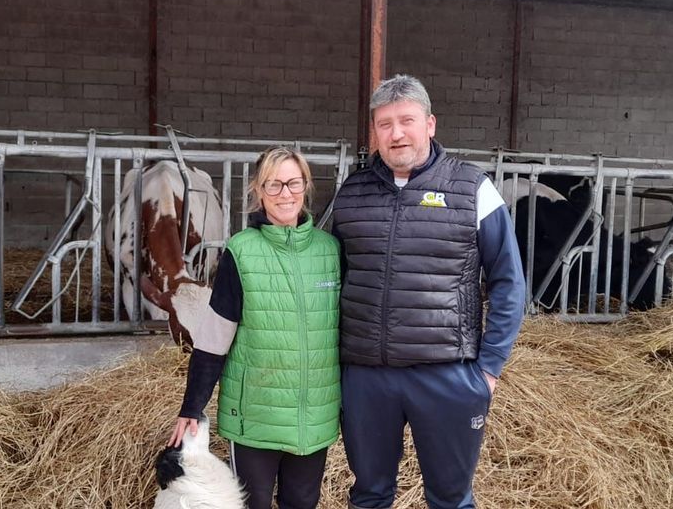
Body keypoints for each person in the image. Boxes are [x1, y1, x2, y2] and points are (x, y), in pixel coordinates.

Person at [330, 74, 527, 509]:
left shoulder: (473, 189)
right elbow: (334, 276)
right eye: (385, 124)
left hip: (448, 373)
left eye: (407, 121)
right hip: (367, 376)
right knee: (369, 495)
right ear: (374, 131)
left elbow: (508, 282)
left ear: (430, 124)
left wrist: (489, 370)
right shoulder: (352, 193)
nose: (396, 133)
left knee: (450, 499)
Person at [167, 146, 341, 509]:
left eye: (293, 183)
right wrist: (192, 406)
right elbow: (214, 338)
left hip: (314, 419)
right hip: (254, 419)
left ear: (306, 186)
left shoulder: (330, 251)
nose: (285, 193)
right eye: (273, 184)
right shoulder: (241, 251)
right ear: (258, 191)